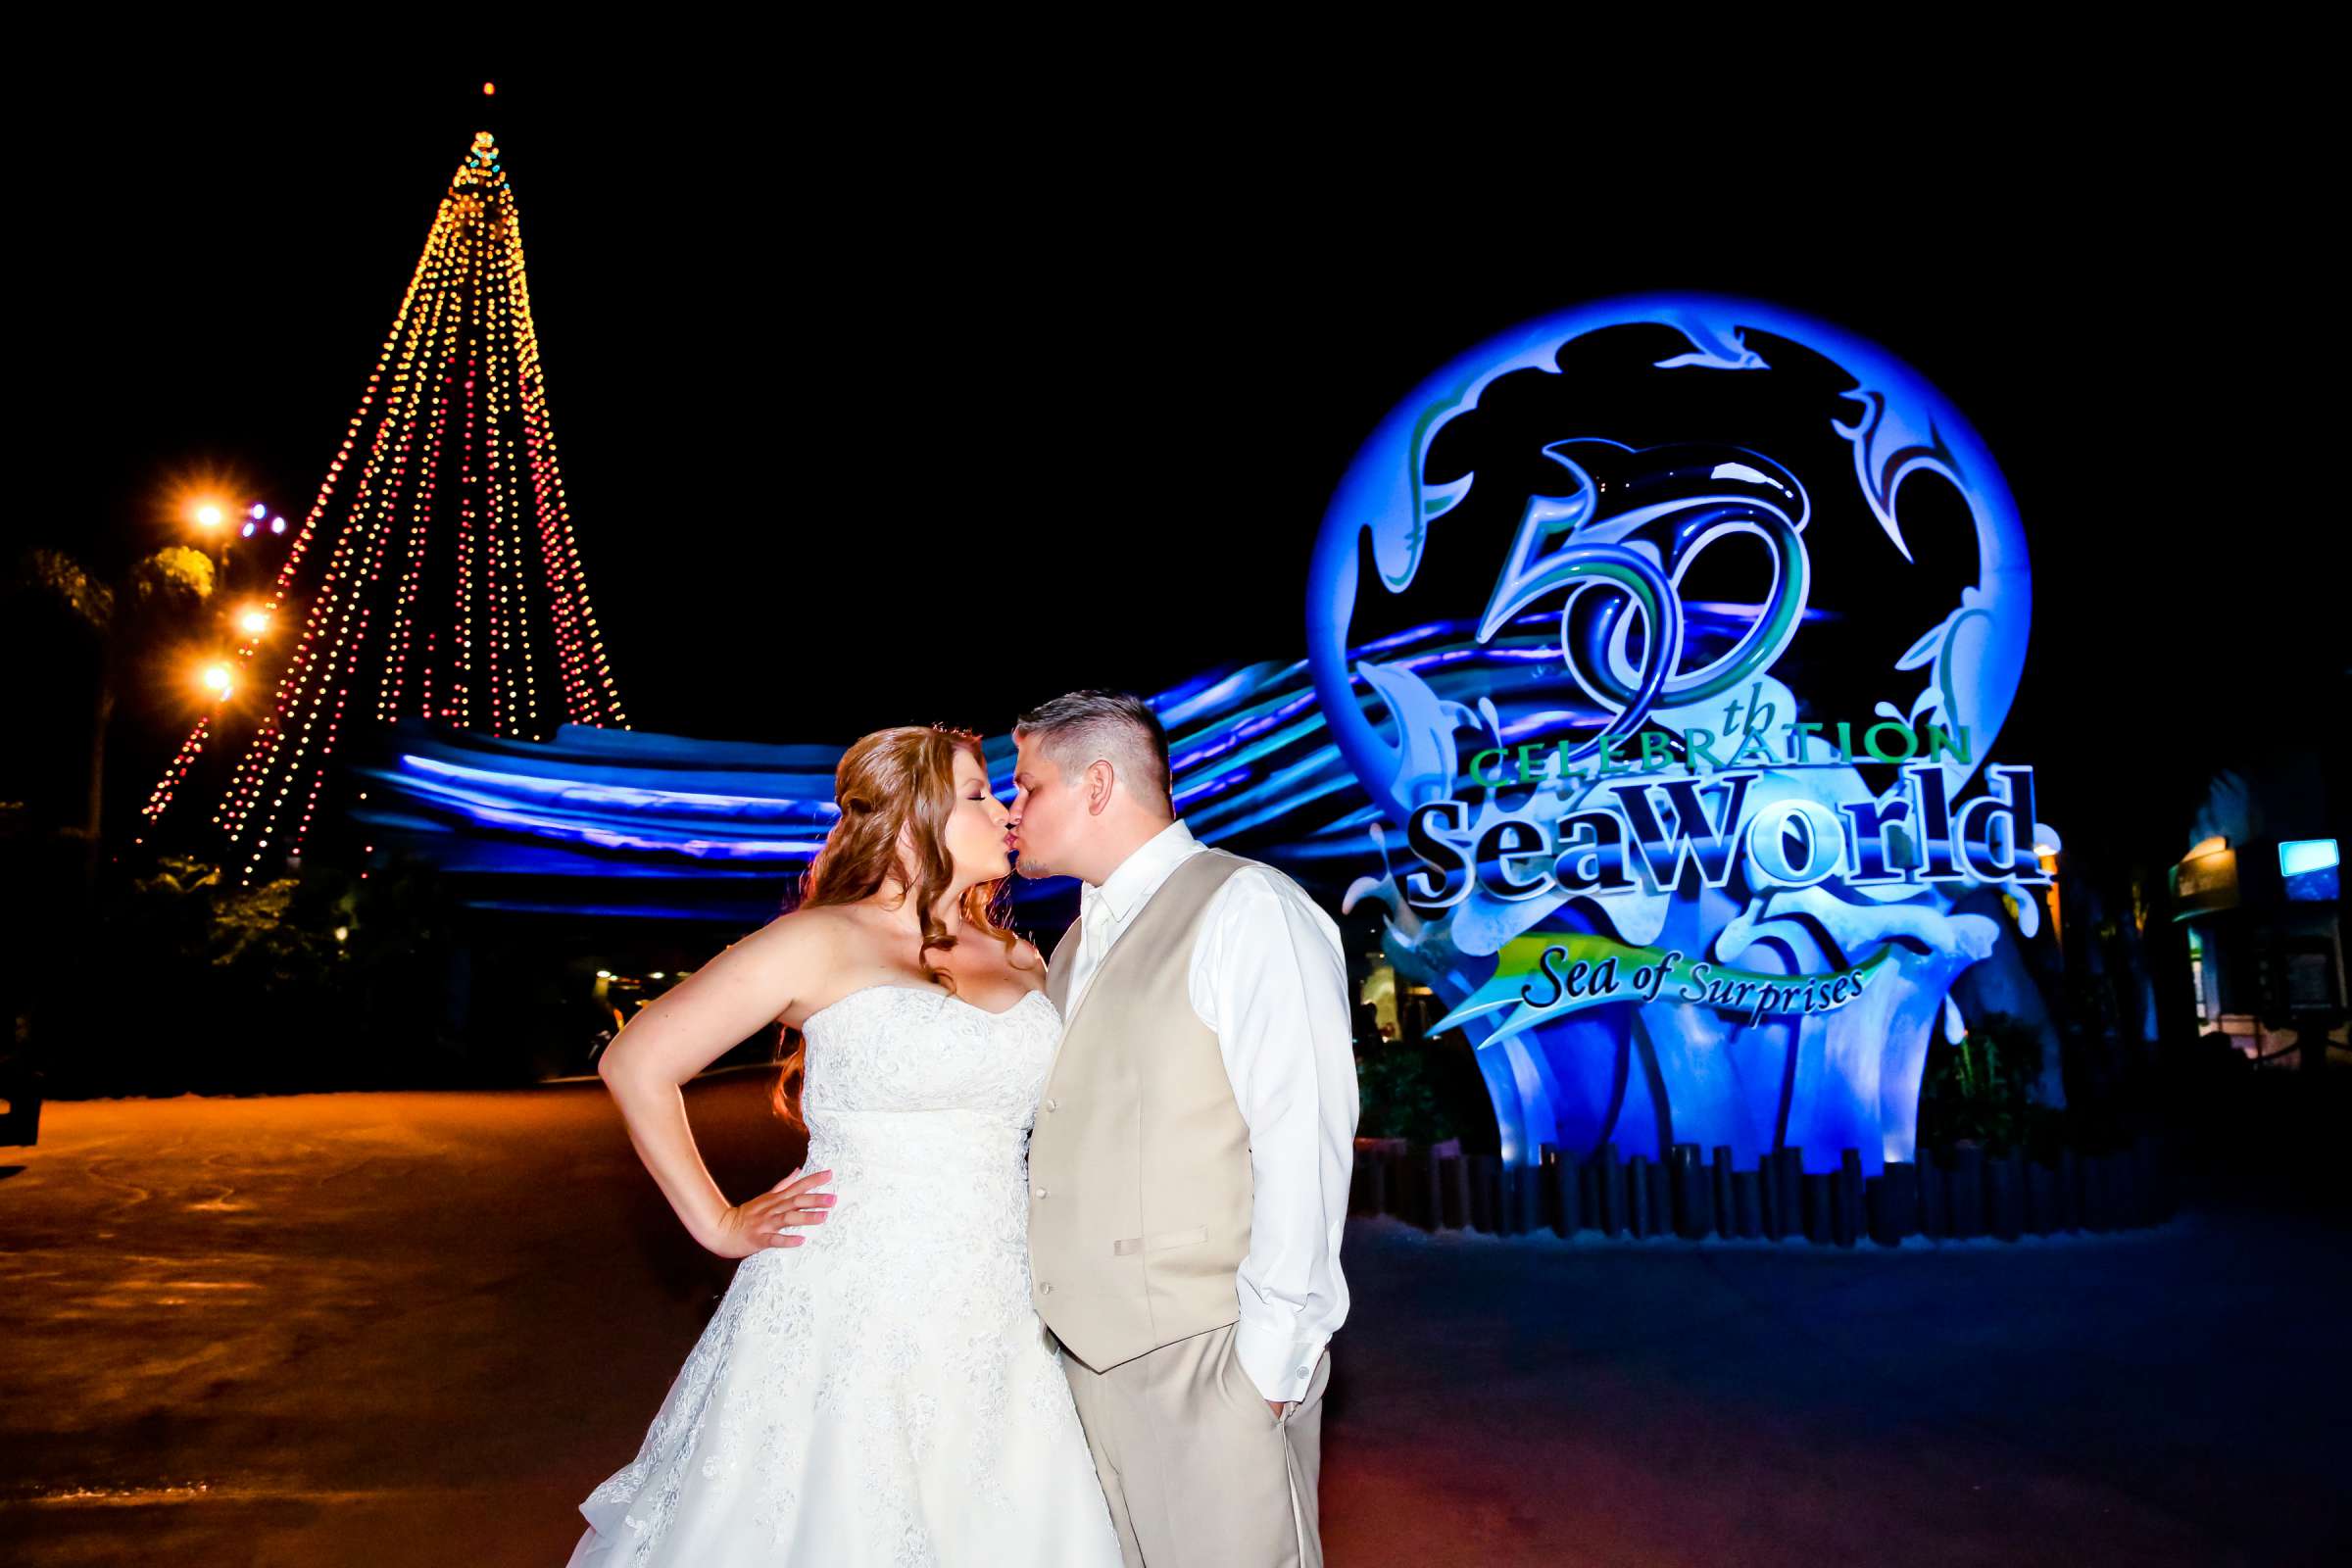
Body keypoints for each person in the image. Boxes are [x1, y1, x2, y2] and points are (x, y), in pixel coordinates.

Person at [566, 724, 1121, 1566]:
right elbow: (637, 1062)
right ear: (906, 822)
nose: (1005, 810)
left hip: (1000, 1297)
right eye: (977, 795)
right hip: (848, 1299)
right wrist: (717, 1224)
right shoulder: (818, 941)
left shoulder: (1018, 955)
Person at [1008, 690, 1357, 1568]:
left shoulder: (1248, 906)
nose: (1013, 814)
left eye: (1026, 788)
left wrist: (1266, 1371)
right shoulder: (1071, 945)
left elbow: (1304, 1136)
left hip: (1208, 1357)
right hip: (1084, 1362)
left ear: (1096, 785)